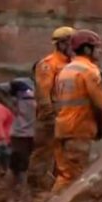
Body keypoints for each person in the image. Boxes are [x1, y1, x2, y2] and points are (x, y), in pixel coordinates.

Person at [51, 30, 102, 194]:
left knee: (65, 175)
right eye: (97, 48)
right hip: (79, 130)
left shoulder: (65, 70)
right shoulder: (89, 71)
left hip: (62, 129)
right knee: (74, 179)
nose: (100, 51)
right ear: (87, 49)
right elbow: (100, 105)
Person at [31, 26, 74, 189]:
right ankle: (35, 188)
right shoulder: (48, 64)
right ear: (61, 44)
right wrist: (49, 116)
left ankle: (55, 188)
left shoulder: (71, 64)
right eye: (70, 43)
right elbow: (43, 93)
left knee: (62, 156)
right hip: (51, 118)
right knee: (43, 153)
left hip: (66, 117)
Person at [0, 76, 36, 190]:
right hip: (21, 133)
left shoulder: (50, 87)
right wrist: (10, 105)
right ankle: (13, 194)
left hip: (38, 134)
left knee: (32, 166)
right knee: (18, 166)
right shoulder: (23, 84)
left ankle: (23, 194)